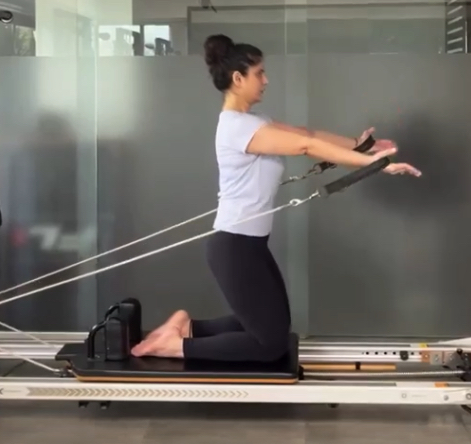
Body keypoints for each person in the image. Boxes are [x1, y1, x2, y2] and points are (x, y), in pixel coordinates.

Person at [131, 34, 421, 362]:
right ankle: (175, 346)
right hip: (234, 246)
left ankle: (187, 328)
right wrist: (374, 164)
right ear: (238, 79)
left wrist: (361, 145)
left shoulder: (254, 122)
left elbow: (308, 134)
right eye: (259, 73)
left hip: (249, 245)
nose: (266, 80)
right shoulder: (236, 127)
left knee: (274, 326)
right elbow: (306, 147)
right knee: (269, 345)